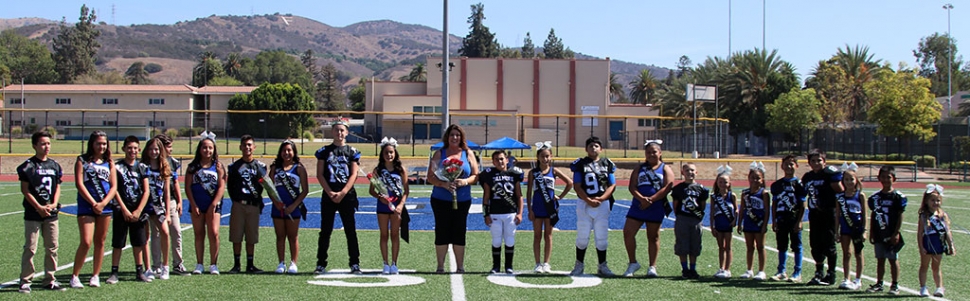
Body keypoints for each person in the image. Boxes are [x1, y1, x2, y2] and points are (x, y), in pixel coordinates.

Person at [17, 131, 67, 293]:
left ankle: (50, 278)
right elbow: (25, 190)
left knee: (52, 247)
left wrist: (53, 204)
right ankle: (25, 280)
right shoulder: (28, 166)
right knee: (31, 247)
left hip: (51, 214)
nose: (47, 147)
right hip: (33, 213)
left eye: (48, 143)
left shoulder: (54, 165)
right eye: (43, 144)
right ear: (34, 146)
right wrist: (38, 206)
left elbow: (58, 186)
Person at [427, 124, 479, 273]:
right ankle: (440, 266)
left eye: (457, 135)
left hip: (462, 200)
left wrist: (464, 181)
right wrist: (443, 184)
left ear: (461, 137)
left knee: (459, 231)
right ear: (447, 137)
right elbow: (430, 177)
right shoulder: (439, 153)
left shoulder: (468, 153)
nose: (454, 138)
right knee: (442, 231)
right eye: (452, 135)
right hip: (440, 200)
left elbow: (475, 175)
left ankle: (460, 266)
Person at [70, 131, 118, 289]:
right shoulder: (82, 160)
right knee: (86, 241)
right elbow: (79, 183)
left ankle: (95, 275)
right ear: (92, 144)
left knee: (100, 241)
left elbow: (113, 186)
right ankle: (75, 276)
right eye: (99, 143)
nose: (102, 146)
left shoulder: (109, 162)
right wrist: (93, 203)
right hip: (86, 206)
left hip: (105, 208)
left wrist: (103, 203)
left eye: (104, 143)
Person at [315, 120, 363, 274]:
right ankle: (321, 263)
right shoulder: (324, 151)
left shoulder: (352, 151)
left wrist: (342, 193)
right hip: (329, 194)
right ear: (332, 132)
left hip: (346, 196)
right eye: (336, 130)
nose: (339, 133)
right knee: (325, 231)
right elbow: (320, 174)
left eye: (342, 130)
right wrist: (330, 192)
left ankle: (354, 263)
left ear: (347, 132)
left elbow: (354, 174)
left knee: (350, 230)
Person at [622, 140, 673, 277]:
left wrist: (651, 199)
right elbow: (632, 186)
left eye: (654, 152)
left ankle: (652, 267)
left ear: (660, 153)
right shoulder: (639, 168)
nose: (651, 154)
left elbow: (667, 187)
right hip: (638, 205)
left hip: (655, 206)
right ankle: (632, 263)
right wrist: (642, 199)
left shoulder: (665, 168)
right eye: (648, 152)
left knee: (653, 237)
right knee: (628, 232)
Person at [571, 136, 619, 277]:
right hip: (584, 204)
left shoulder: (607, 163)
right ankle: (579, 264)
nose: (593, 148)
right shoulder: (580, 164)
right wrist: (588, 199)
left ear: (601, 149)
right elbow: (577, 185)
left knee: (602, 236)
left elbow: (612, 184)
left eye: (596, 146)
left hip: (602, 203)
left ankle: (602, 265)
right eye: (591, 146)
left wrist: (602, 198)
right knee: (582, 236)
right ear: (586, 149)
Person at [107, 136, 152, 284]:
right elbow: (115, 190)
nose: (132, 151)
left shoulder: (142, 167)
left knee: (138, 242)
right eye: (129, 148)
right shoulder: (117, 166)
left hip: (137, 210)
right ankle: (114, 271)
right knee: (118, 242)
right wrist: (124, 209)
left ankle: (139, 271)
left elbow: (146, 191)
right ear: (124, 149)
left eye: (135, 148)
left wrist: (139, 210)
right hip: (122, 210)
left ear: (139, 150)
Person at [526, 141, 572, 273]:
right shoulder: (532, 172)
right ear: (538, 157)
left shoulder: (554, 171)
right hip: (537, 208)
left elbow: (569, 183)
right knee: (537, 236)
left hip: (550, 208)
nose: (545, 159)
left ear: (551, 157)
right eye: (542, 156)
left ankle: (546, 263)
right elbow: (529, 192)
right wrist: (529, 209)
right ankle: (537, 263)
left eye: (547, 156)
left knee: (548, 235)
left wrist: (560, 196)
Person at [185, 135, 227, 275]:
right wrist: (193, 204)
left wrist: (214, 204)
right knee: (199, 234)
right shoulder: (192, 167)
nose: (207, 150)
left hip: (213, 206)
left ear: (214, 149)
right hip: (197, 205)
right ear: (200, 149)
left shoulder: (218, 166)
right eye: (204, 147)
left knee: (214, 233)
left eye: (210, 147)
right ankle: (199, 264)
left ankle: (213, 264)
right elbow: (188, 187)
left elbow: (221, 187)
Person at [802, 150, 843, 286]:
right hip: (814, 214)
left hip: (828, 213)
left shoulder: (829, 174)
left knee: (829, 243)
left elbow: (840, 191)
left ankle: (831, 273)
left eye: (819, 160)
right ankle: (819, 272)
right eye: (813, 161)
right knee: (815, 243)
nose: (816, 163)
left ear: (824, 161)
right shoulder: (808, 177)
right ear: (809, 163)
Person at [368, 137, 409, 275]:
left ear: (395, 153)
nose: (389, 155)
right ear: (382, 154)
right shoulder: (377, 170)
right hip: (383, 207)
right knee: (384, 235)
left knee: (395, 234)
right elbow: (372, 190)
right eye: (386, 152)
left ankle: (394, 264)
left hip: (396, 207)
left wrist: (401, 205)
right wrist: (381, 197)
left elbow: (406, 191)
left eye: (391, 152)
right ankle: (385, 263)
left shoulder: (401, 170)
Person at [227, 135, 267, 274]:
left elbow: (264, 185)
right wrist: (237, 200)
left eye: (250, 145)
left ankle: (250, 264)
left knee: (251, 236)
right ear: (240, 147)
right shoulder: (234, 167)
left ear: (254, 147)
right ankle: (237, 264)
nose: (247, 147)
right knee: (236, 235)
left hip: (253, 204)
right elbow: (230, 187)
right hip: (238, 204)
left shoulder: (260, 167)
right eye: (244, 145)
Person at [481, 150, 524, 274]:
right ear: (493, 162)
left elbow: (519, 195)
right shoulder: (490, 174)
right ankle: (496, 266)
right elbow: (486, 196)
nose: (500, 161)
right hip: (495, 212)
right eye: (497, 159)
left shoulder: (514, 173)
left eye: (501, 159)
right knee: (496, 239)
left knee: (510, 239)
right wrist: (486, 214)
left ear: (507, 159)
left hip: (510, 212)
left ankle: (508, 266)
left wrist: (520, 213)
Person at [866, 166, 907, 295]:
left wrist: (896, 233)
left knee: (893, 259)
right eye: (883, 177)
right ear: (879, 178)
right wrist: (872, 231)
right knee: (880, 259)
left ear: (894, 178)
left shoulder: (898, 197)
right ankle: (879, 283)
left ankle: (895, 285)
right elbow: (873, 215)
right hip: (879, 232)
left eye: (888, 177)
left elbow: (900, 215)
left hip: (891, 232)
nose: (885, 179)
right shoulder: (875, 198)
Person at [271, 140, 309, 274]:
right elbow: (270, 188)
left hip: (294, 208)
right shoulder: (275, 168)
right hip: (278, 208)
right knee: (280, 236)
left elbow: (305, 190)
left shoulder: (299, 168)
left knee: (293, 237)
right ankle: (281, 263)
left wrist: (293, 206)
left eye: (289, 150)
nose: (286, 153)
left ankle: (293, 263)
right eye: (284, 150)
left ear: (293, 152)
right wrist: (276, 203)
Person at [769, 155, 806, 282]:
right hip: (781, 218)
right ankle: (781, 270)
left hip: (794, 218)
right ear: (782, 166)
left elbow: (802, 205)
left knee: (797, 246)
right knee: (782, 245)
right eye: (786, 164)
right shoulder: (777, 185)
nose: (789, 167)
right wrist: (773, 220)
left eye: (791, 164)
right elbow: (774, 204)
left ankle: (797, 272)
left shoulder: (800, 184)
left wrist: (799, 220)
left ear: (796, 166)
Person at [155, 134, 187, 275]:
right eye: (168, 146)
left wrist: (180, 201)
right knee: (156, 234)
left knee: (176, 231)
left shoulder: (172, 162)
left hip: (171, 201)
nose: (171, 149)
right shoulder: (150, 162)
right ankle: (156, 265)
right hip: (155, 202)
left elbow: (175, 182)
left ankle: (178, 264)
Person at [671, 163, 709, 279]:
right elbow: (675, 205)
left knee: (695, 244)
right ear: (682, 173)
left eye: (692, 170)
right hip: (683, 218)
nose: (690, 172)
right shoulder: (678, 189)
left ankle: (693, 269)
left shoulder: (701, 189)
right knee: (682, 244)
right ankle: (685, 269)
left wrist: (697, 215)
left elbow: (702, 205)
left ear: (696, 172)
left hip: (695, 219)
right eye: (687, 170)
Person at [142, 137, 172, 280]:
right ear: (147, 150)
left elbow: (167, 192)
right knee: (145, 236)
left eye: (156, 149)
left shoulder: (164, 167)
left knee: (165, 232)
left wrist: (168, 213)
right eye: (151, 149)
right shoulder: (142, 166)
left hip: (158, 206)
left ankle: (165, 266)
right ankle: (148, 267)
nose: (154, 152)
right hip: (144, 206)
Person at [917, 184, 954, 298]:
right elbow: (919, 233)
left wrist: (950, 245)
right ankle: (923, 287)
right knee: (924, 266)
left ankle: (939, 287)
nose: (935, 203)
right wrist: (921, 247)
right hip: (927, 243)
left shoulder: (943, 215)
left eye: (938, 200)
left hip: (938, 243)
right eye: (932, 200)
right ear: (927, 201)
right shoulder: (923, 216)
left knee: (936, 267)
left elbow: (947, 231)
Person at [836, 163, 866, 290]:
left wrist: (865, 230)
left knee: (858, 253)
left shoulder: (860, 195)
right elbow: (837, 215)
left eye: (851, 179)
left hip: (857, 228)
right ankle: (846, 278)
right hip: (845, 229)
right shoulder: (840, 197)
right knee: (846, 253)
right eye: (846, 179)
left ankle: (858, 279)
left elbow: (865, 214)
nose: (849, 182)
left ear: (856, 180)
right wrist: (836, 231)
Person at [738, 161, 770, 281]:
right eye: (753, 178)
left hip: (759, 223)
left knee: (760, 247)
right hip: (748, 223)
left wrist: (765, 225)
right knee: (749, 247)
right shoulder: (745, 193)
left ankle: (761, 271)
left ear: (762, 180)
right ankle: (749, 269)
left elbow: (767, 210)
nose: (755, 180)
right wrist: (740, 223)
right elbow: (742, 209)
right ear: (748, 178)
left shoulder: (764, 193)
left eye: (758, 178)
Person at [711, 166, 737, 279]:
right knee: (721, 247)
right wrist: (712, 226)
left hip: (728, 224)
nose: (722, 184)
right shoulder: (714, 197)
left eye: (725, 182)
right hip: (718, 224)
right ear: (717, 183)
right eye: (720, 182)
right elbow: (712, 212)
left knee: (728, 247)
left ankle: (727, 269)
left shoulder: (732, 196)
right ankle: (721, 268)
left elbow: (736, 209)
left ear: (729, 183)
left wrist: (735, 220)